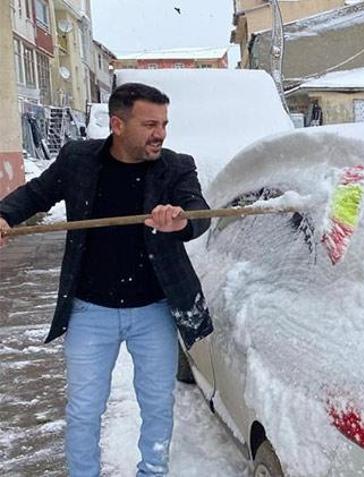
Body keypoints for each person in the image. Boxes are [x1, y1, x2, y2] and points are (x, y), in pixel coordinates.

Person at [0, 82, 214, 476]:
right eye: (150, 124)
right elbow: (37, 193)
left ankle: (152, 471)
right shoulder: (78, 159)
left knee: (156, 404)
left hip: (153, 310)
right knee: (84, 408)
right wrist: (5, 215)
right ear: (117, 124)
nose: (160, 133)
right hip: (90, 311)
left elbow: (197, 210)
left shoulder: (176, 166)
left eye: (164, 124)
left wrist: (181, 220)